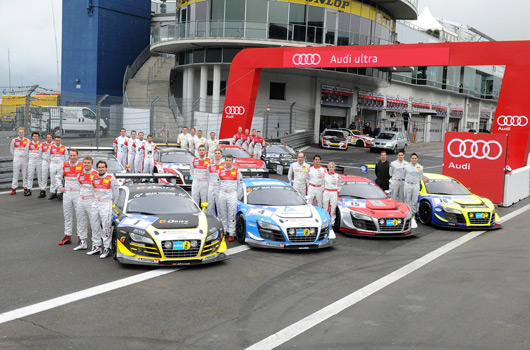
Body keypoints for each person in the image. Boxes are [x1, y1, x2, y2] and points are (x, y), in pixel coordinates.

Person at [88, 160, 119, 258]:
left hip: (106, 204)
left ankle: (106, 248)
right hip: (96, 203)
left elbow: (116, 194)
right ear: (97, 168)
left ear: (106, 168)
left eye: (103, 167)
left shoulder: (111, 178)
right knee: (94, 225)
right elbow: (93, 191)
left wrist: (113, 205)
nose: (101, 169)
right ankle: (97, 246)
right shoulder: (93, 178)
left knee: (106, 227)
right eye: (99, 167)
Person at [58, 149, 84, 246]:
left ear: (77, 156)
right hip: (67, 193)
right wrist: (60, 187)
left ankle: (81, 237)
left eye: (74, 155)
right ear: (68, 155)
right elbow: (58, 177)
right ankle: (67, 236)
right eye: (71, 155)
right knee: (67, 216)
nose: (72, 157)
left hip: (78, 193)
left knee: (80, 216)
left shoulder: (81, 165)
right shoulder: (64, 165)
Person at [74, 156, 98, 251]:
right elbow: (79, 187)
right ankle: (83, 242)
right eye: (85, 163)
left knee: (94, 223)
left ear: (92, 164)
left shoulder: (96, 174)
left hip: (91, 200)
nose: (86, 164)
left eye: (88, 163)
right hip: (81, 200)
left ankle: (96, 244)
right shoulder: (80, 174)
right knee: (80, 222)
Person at [218, 154, 243, 242]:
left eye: (230, 161)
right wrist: (219, 193)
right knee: (222, 214)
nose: (228, 162)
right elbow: (218, 183)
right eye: (227, 160)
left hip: (232, 195)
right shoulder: (220, 171)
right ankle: (224, 232)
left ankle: (232, 233)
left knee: (232, 214)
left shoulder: (237, 171)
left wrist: (237, 195)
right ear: (224, 161)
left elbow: (240, 185)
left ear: (232, 162)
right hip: (222, 194)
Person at [403, 153, 423, 229]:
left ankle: (413, 215)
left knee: (414, 200)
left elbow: (420, 177)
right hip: (408, 184)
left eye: (415, 158)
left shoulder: (420, 167)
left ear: (417, 159)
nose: (414, 159)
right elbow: (404, 175)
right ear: (410, 159)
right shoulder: (406, 167)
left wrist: (416, 182)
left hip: (415, 185)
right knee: (407, 199)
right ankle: (407, 214)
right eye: (412, 158)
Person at [10, 127, 29, 195]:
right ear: (18, 133)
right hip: (17, 158)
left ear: (24, 133)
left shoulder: (27, 140)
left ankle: (25, 188)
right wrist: (15, 156)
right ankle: (14, 188)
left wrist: (27, 157)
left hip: (24, 159)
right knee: (15, 173)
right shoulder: (14, 140)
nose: (21, 133)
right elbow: (11, 150)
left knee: (25, 174)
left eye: (22, 132)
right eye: (20, 132)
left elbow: (29, 150)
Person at [48, 136, 68, 200]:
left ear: (61, 140)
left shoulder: (64, 148)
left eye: (59, 140)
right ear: (55, 140)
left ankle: (59, 192)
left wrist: (64, 165)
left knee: (60, 178)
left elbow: (66, 158)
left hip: (60, 164)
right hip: (53, 163)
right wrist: (50, 162)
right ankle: (53, 192)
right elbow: (48, 156)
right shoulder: (51, 147)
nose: (58, 141)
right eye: (56, 140)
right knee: (52, 178)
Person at [206, 148, 224, 216]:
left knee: (220, 206)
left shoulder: (224, 165)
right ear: (214, 155)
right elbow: (207, 176)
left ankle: (221, 222)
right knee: (210, 205)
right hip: (211, 187)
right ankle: (210, 221)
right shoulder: (210, 165)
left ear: (221, 155)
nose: (217, 155)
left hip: (220, 188)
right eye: (216, 153)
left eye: (218, 153)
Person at [26, 132, 43, 197]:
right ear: (32, 137)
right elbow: (26, 152)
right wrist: (28, 158)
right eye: (34, 136)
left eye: (37, 136)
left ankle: (42, 189)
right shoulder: (29, 144)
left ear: (38, 137)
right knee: (30, 175)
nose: (35, 137)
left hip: (39, 161)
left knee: (40, 176)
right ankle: (29, 190)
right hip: (31, 161)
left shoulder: (41, 144)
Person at [39, 133, 54, 198]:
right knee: (44, 175)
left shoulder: (54, 144)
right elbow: (39, 153)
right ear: (46, 138)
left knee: (53, 176)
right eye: (47, 137)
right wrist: (43, 158)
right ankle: (43, 190)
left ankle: (53, 191)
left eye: (50, 137)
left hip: (52, 162)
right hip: (45, 161)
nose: (49, 138)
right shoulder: (42, 144)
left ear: (52, 138)